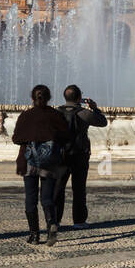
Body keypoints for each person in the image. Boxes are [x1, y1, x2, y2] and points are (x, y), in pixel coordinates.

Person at [12, 84, 70, 246]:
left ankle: (34, 235)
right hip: (49, 162)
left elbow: (16, 139)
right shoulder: (55, 115)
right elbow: (66, 136)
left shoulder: (26, 116)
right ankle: (51, 223)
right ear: (49, 97)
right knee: (47, 197)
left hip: (29, 162)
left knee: (30, 198)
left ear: (32, 97)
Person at [54, 85, 108, 230]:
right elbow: (103, 122)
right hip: (79, 155)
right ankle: (79, 221)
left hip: (61, 156)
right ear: (79, 98)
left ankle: (55, 220)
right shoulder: (84, 113)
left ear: (65, 97)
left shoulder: (56, 113)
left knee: (58, 188)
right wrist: (95, 108)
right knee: (79, 189)